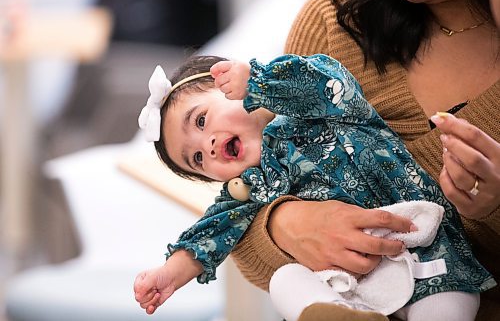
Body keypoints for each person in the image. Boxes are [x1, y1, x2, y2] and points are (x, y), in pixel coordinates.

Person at [133, 53, 495, 321]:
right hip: (355, 284)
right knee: (285, 281)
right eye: (196, 159)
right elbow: (212, 232)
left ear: (229, 84)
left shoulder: (317, 109)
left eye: (201, 120)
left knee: (448, 309)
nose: (207, 147)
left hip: (430, 253)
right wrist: (169, 274)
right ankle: (342, 314)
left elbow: (327, 82)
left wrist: (258, 83)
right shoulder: (252, 184)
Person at [223, 0, 499, 320]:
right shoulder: (333, 21)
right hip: (348, 292)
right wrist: (283, 223)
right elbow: (242, 220)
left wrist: (493, 209)